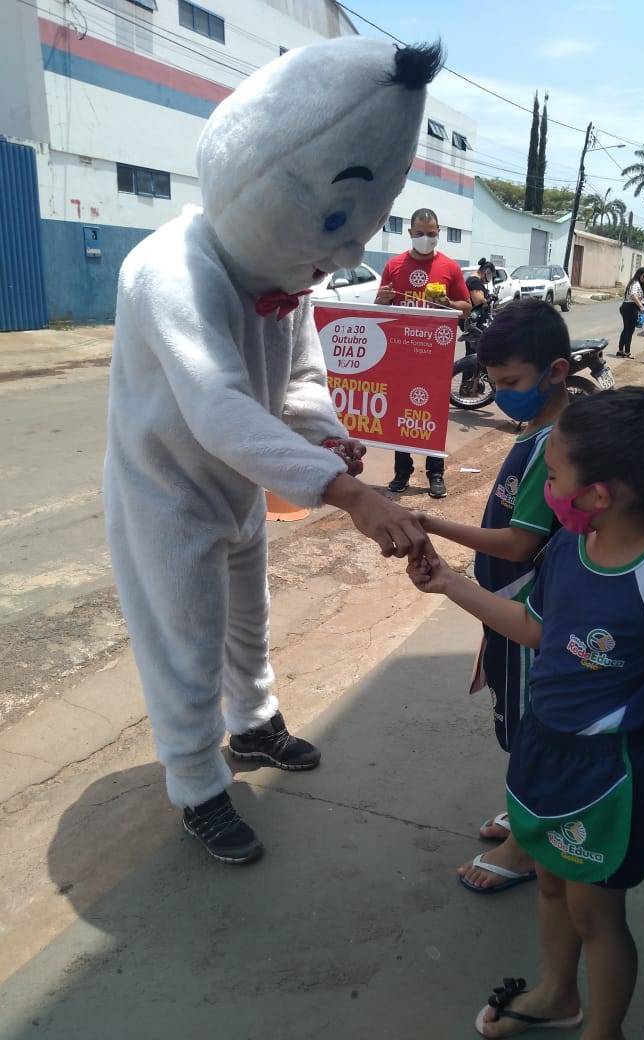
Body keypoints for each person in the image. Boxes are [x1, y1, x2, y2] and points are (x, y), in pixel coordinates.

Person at [104, 37, 442, 866]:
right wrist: (349, 495)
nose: (346, 255)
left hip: (239, 489)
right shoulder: (169, 271)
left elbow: (296, 378)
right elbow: (217, 403)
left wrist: (325, 437)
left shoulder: (283, 277)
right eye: (334, 222)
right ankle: (195, 783)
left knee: (248, 623)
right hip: (167, 494)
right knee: (185, 641)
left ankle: (252, 727)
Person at [408, 387, 644, 1038]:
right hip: (540, 753)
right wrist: (446, 582)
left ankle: (602, 1031)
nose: (546, 489)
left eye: (553, 477)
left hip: (608, 778)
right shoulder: (567, 552)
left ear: (599, 496)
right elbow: (530, 627)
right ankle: (557, 994)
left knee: (597, 919)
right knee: (552, 889)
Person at [416, 299, 570, 893]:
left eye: (511, 383)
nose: (501, 394)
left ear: (556, 372)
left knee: (532, 729)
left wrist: (433, 525)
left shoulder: (555, 447)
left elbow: (516, 543)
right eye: (496, 382)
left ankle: (529, 843)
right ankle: (528, 810)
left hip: (530, 614)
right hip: (508, 610)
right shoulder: (535, 432)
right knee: (516, 719)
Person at [376, 207, 471, 499]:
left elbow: (466, 307)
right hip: (402, 354)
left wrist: (448, 304)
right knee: (400, 412)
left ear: (439, 233)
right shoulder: (394, 266)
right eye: (420, 233)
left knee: (434, 413)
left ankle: (435, 473)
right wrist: (382, 300)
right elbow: (380, 309)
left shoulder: (450, 268)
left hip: (436, 355)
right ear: (410, 233)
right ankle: (402, 471)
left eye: (431, 234)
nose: (426, 238)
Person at [617, 266, 644, 358]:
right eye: (643, 276)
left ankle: (620, 351)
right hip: (629, 307)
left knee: (626, 329)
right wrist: (641, 306)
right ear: (639, 275)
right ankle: (626, 352)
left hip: (628, 307)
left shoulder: (637, 283)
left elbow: (636, 296)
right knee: (629, 330)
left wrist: (642, 303)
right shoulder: (635, 283)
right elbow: (633, 296)